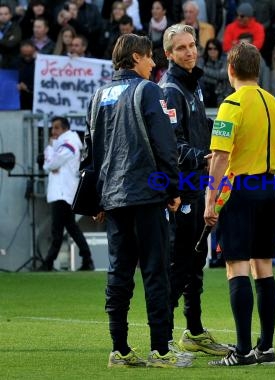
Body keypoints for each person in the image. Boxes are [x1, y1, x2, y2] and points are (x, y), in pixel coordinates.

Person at [83, 33, 189, 368]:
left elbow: (90, 153)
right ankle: (160, 349)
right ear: (135, 58)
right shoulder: (149, 90)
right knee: (156, 272)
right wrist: (173, 188)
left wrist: (97, 198)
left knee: (119, 272)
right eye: (148, 57)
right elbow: (165, 145)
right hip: (145, 194)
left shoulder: (98, 95)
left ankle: (119, 348)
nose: (154, 63)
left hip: (113, 198)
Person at [205, 42, 275, 366]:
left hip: (241, 189)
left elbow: (221, 156)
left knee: (236, 265)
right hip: (269, 187)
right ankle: (265, 347)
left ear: (231, 70)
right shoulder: (272, 102)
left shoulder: (231, 104)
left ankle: (241, 351)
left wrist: (211, 200)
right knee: (263, 267)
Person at [158, 23, 229, 357]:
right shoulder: (170, 89)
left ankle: (194, 331)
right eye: (181, 48)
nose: (189, 52)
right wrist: (204, 157)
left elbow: (200, 129)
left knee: (195, 262)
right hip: (182, 189)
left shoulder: (193, 85)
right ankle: (164, 339)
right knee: (179, 264)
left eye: (192, 45)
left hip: (198, 186)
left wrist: (225, 136)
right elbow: (172, 143)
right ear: (168, 54)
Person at [39, 116, 94, 272]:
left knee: (58, 230)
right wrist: (51, 161)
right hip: (62, 192)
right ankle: (87, 259)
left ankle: (48, 263)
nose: (53, 131)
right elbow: (50, 164)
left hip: (63, 193)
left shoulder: (69, 144)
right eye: (52, 128)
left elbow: (50, 163)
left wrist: (50, 149)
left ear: (65, 129)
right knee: (70, 227)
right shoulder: (64, 143)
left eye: (56, 128)